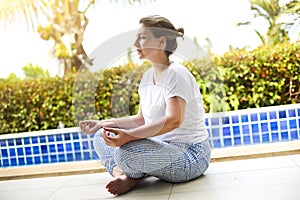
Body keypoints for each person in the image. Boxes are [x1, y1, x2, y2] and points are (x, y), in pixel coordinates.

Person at [79, 15, 211, 196]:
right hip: (161, 147)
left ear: (161, 42)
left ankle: (133, 174)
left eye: (142, 37)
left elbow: (174, 120)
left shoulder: (177, 74)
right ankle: (125, 175)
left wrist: (129, 137)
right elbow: (140, 119)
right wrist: (102, 124)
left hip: (189, 154)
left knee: (125, 153)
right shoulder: (148, 77)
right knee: (101, 136)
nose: (135, 44)